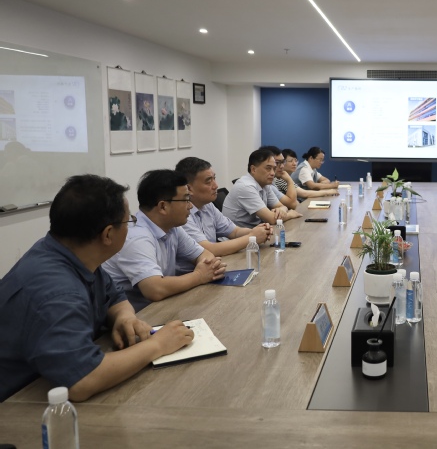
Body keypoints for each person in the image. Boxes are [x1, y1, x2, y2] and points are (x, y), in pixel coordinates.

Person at [0, 175, 194, 402]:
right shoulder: (57, 291)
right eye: (129, 221)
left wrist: (124, 317)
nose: (131, 226)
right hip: (19, 403)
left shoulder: (68, 252)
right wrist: (158, 344)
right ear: (108, 234)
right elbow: (83, 381)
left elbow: (114, 295)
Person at [104, 170, 226, 311]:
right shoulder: (137, 238)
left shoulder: (172, 227)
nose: (190, 206)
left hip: (165, 307)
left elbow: (205, 255)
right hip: (140, 316)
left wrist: (206, 268)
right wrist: (199, 275)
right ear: (163, 206)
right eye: (186, 200)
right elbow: (155, 289)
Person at [174, 157, 272, 272]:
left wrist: (259, 231)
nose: (215, 185)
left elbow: (234, 232)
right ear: (189, 188)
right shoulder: (181, 214)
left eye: (214, 179)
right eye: (208, 181)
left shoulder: (208, 205)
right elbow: (208, 249)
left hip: (212, 268)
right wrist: (252, 237)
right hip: (190, 274)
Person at [223, 148, 302, 228]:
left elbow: (282, 206)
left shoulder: (265, 184)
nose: (272, 173)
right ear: (253, 169)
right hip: (242, 234)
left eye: (274, 169)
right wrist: (290, 214)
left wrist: (281, 210)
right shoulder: (246, 187)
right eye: (268, 168)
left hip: (257, 230)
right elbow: (272, 219)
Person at [260, 145, 299, 210]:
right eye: (277, 163)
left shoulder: (269, 184)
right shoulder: (268, 185)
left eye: (283, 162)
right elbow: (293, 204)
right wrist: (289, 181)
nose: (282, 166)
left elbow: (289, 205)